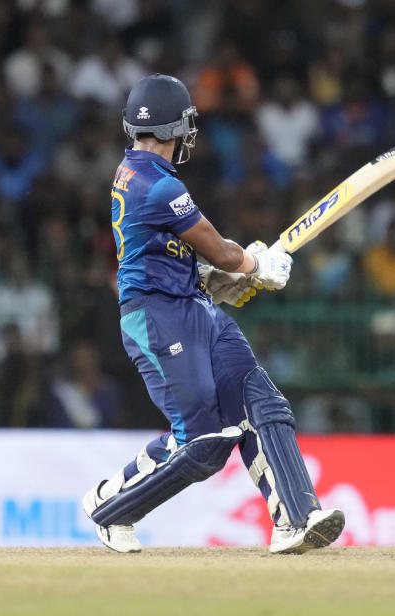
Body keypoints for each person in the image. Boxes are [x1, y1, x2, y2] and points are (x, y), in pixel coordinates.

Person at [81, 74, 345, 554]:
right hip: (155, 315)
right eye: (187, 124)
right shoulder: (158, 186)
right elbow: (225, 253)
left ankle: (296, 520)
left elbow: (172, 248)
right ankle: (110, 505)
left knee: (261, 400)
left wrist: (208, 274)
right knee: (202, 444)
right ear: (174, 126)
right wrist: (256, 265)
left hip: (191, 302)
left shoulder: (134, 171)